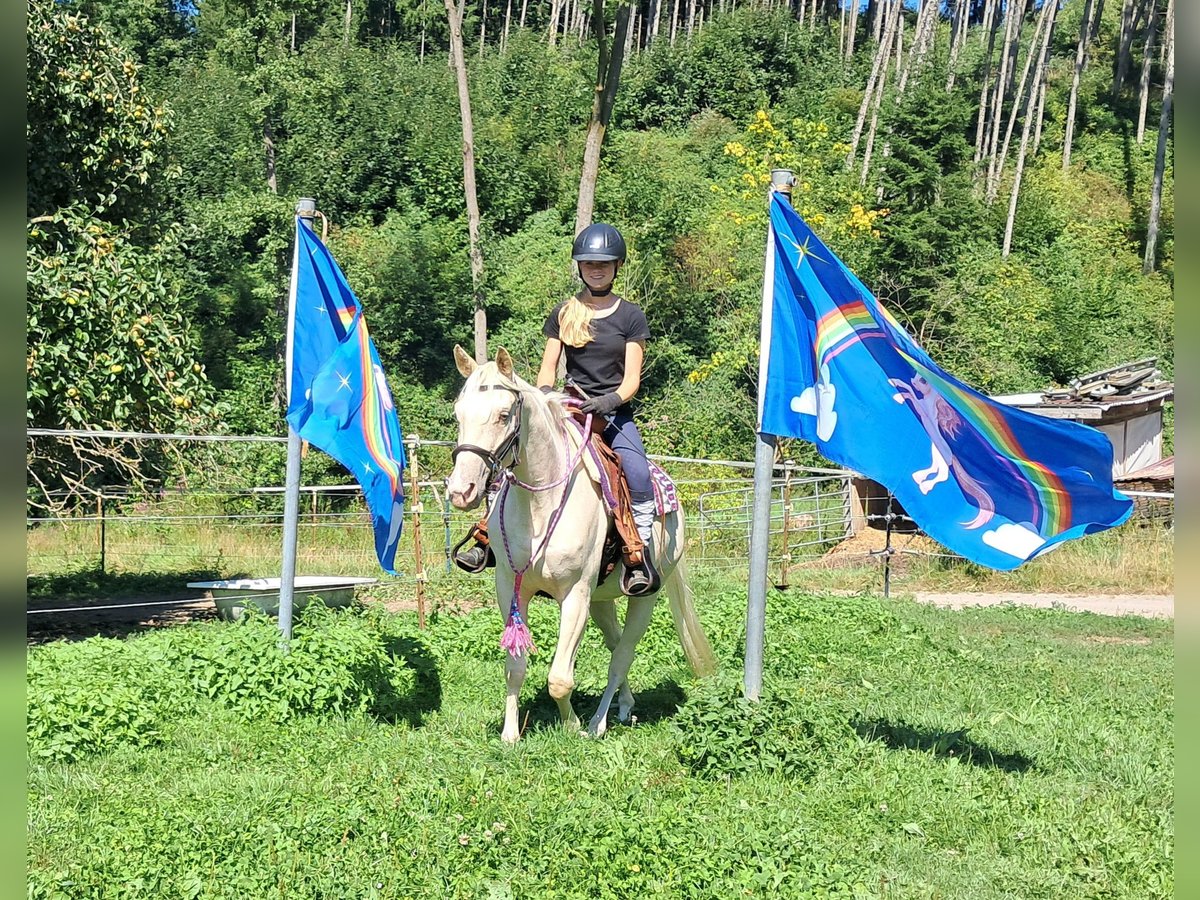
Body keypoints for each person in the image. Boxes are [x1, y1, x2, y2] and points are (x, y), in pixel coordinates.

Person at [454, 222, 660, 595]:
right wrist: (546, 397)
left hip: (613, 414)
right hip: (568, 408)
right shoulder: (565, 312)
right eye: (589, 263)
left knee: (637, 472)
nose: (596, 269)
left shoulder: (631, 316)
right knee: (509, 460)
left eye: (604, 263)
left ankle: (638, 555)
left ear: (617, 266)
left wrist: (611, 400)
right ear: (579, 267)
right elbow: (548, 367)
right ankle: (486, 539)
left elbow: (632, 379)